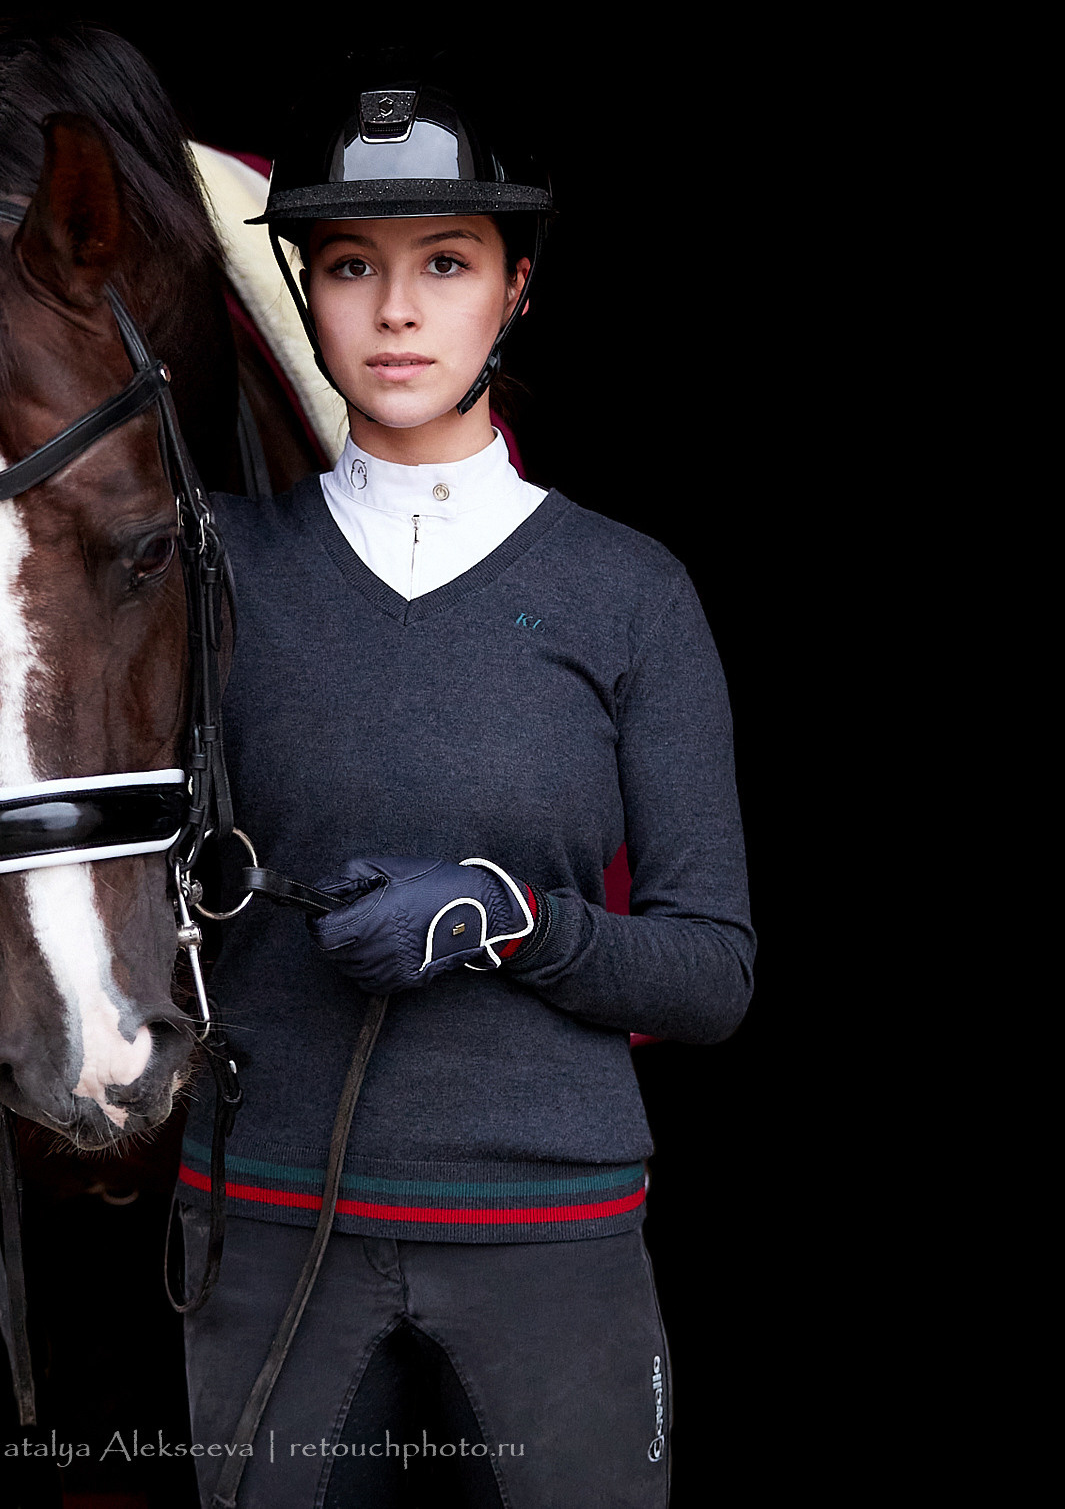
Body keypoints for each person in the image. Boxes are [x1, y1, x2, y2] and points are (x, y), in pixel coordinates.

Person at [177, 81, 756, 1507]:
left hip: (549, 1225)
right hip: (267, 1226)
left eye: (445, 262)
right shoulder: (209, 576)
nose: (396, 311)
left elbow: (712, 975)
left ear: (516, 292)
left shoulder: (630, 591)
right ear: (304, 297)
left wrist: (511, 920)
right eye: (351, 267)